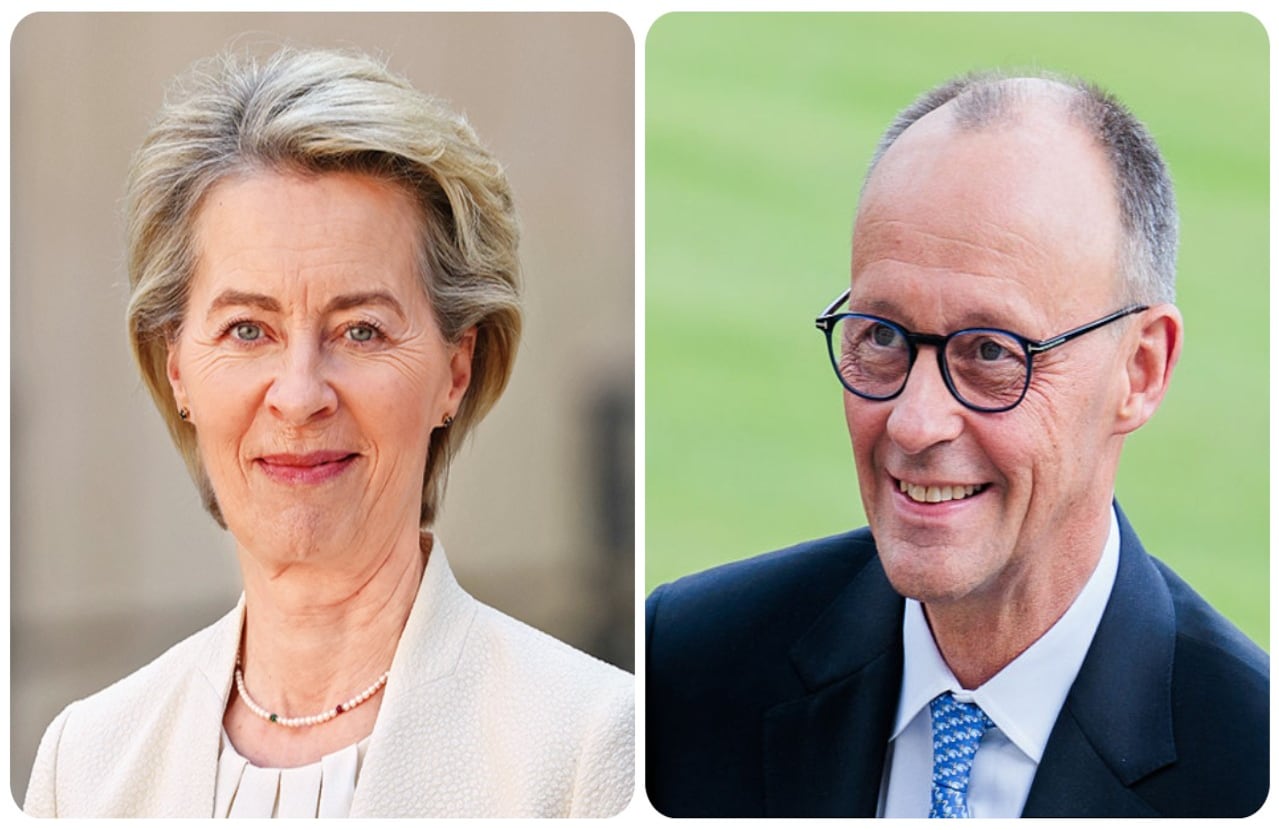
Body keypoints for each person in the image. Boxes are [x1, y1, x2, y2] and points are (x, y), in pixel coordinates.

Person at [24, 46, 633, 818]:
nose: (300, 394)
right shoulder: (84, 762)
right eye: (248, 330)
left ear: (455, 369)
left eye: (362, 331)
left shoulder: (593, 746)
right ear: (176, 366)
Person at [646, 71, 1268, 818]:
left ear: (1139, 371)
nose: (913, 423)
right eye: (880, 336)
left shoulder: (1248, 761)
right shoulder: (685, 668)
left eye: (991, 352)